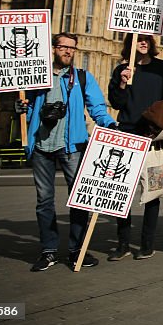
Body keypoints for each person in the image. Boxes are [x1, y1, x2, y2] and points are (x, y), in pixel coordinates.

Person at [19, 31, 118, 271]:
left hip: (71, 147)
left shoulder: (82, 77)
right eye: (64, 47)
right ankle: (49, 250)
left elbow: (97, 108)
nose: (68, 51)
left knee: (79, 201)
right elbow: (30, 106)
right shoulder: (36, 77)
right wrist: (22, 108)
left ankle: (77, 250)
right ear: (53, 48)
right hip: (42, 145)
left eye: (72, 48)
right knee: (44, 201)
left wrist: (110, 124)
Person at [107, 34, 163, 260]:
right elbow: (116, 102)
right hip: (127, 133)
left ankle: (147, 244)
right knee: (122, 193)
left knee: (153, 192)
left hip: (152, 136)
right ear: (130, 43)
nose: (143, 42)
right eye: (138, 38)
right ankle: (123, 244)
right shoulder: (122, 70)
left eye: (147, 38)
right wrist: (122, 82)